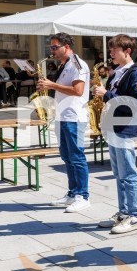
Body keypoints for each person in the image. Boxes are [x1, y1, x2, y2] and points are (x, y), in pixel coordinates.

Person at [94, 35, 137, 233]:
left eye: (114, 50)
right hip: (113, 127)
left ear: (127, 51)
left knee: (129, 174)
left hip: (125, 128)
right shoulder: (116, 73)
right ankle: (124, 212)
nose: (111, 54)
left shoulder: (136, 75)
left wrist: (107, 94)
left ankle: (136, 215)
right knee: (119, 174)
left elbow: (136, 105)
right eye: (111, 50)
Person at [40, 33, 91, 213]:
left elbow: (78, 90)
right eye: (51, 48)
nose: (52, 51)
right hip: (62, 116)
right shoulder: (64, 64)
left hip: (74, 117)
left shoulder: (77, 65)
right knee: (67, 157)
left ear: (66, 46)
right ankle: (73, 193)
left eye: (55, 47)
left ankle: (83, 196)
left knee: (77, 157)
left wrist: (52, 85)